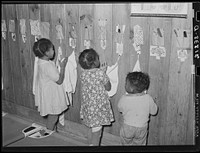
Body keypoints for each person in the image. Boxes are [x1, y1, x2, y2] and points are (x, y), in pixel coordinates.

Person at [78, 48, 114, 146]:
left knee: (91, 128)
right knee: (97, 132)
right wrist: (103, 73)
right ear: (95, 62)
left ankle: (90, 144)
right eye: (98, 58)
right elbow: (108, 87)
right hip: (98, 108)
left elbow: (92, 77)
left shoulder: (83, 74)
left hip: (88, 107)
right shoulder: (100, 73)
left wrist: (100, 72)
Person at [32, 38, 69, 135]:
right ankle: (48, 134)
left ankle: (53, 132)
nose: (54, 51)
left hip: (48, 93)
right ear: (46, 53)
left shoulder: (41, 62)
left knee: (53, 115)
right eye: (52, 49)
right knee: (53, 117)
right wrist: (63, 67)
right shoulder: (47, 66)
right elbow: (59, 81)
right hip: (51, 95)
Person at [117, 71, 158, 145]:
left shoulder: (124, 98)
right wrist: (153, 103)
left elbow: (119, 109)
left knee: (125, 144)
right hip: (142, 128)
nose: (125, 85)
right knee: (140, 144)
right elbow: (154, 112)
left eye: (126, 83)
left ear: (132, 89)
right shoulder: (148, 98)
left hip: (127, 127)